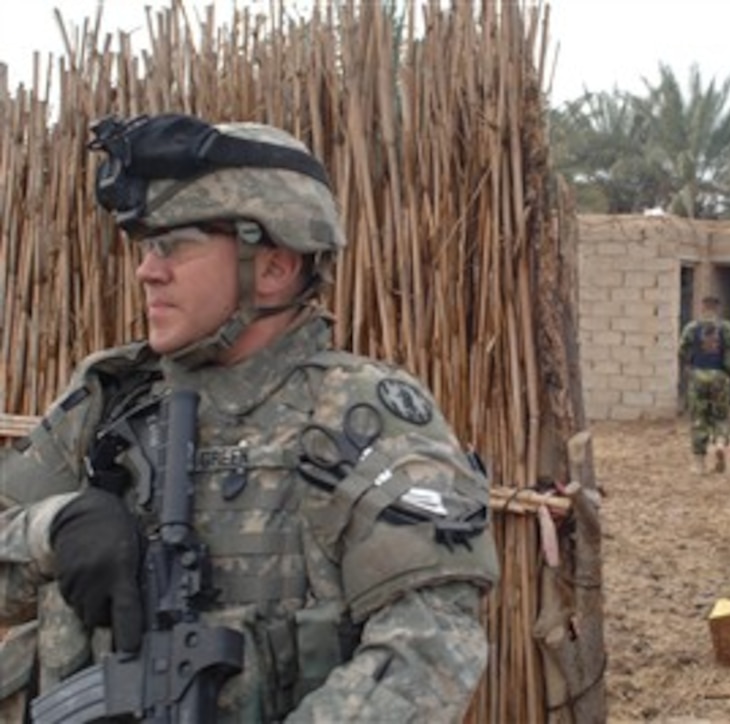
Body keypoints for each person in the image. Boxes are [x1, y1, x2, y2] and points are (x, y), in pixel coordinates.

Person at [0, 113, 499, 721]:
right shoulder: (110, 401)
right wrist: (52, 530)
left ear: (273, 266)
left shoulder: (360, 414)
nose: (146, 271)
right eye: (146, 247)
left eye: (174, 245)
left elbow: (431, 646)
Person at [677, 295, 730, 475]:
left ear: (702, 307)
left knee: (699, 418)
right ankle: (720, 444)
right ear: (717, 307)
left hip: (698, 375)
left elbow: (681, 349)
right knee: (720, 416)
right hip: (720, 376)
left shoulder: (692, 327)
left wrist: (688, 367)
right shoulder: (727, 327)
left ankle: (699, 463)